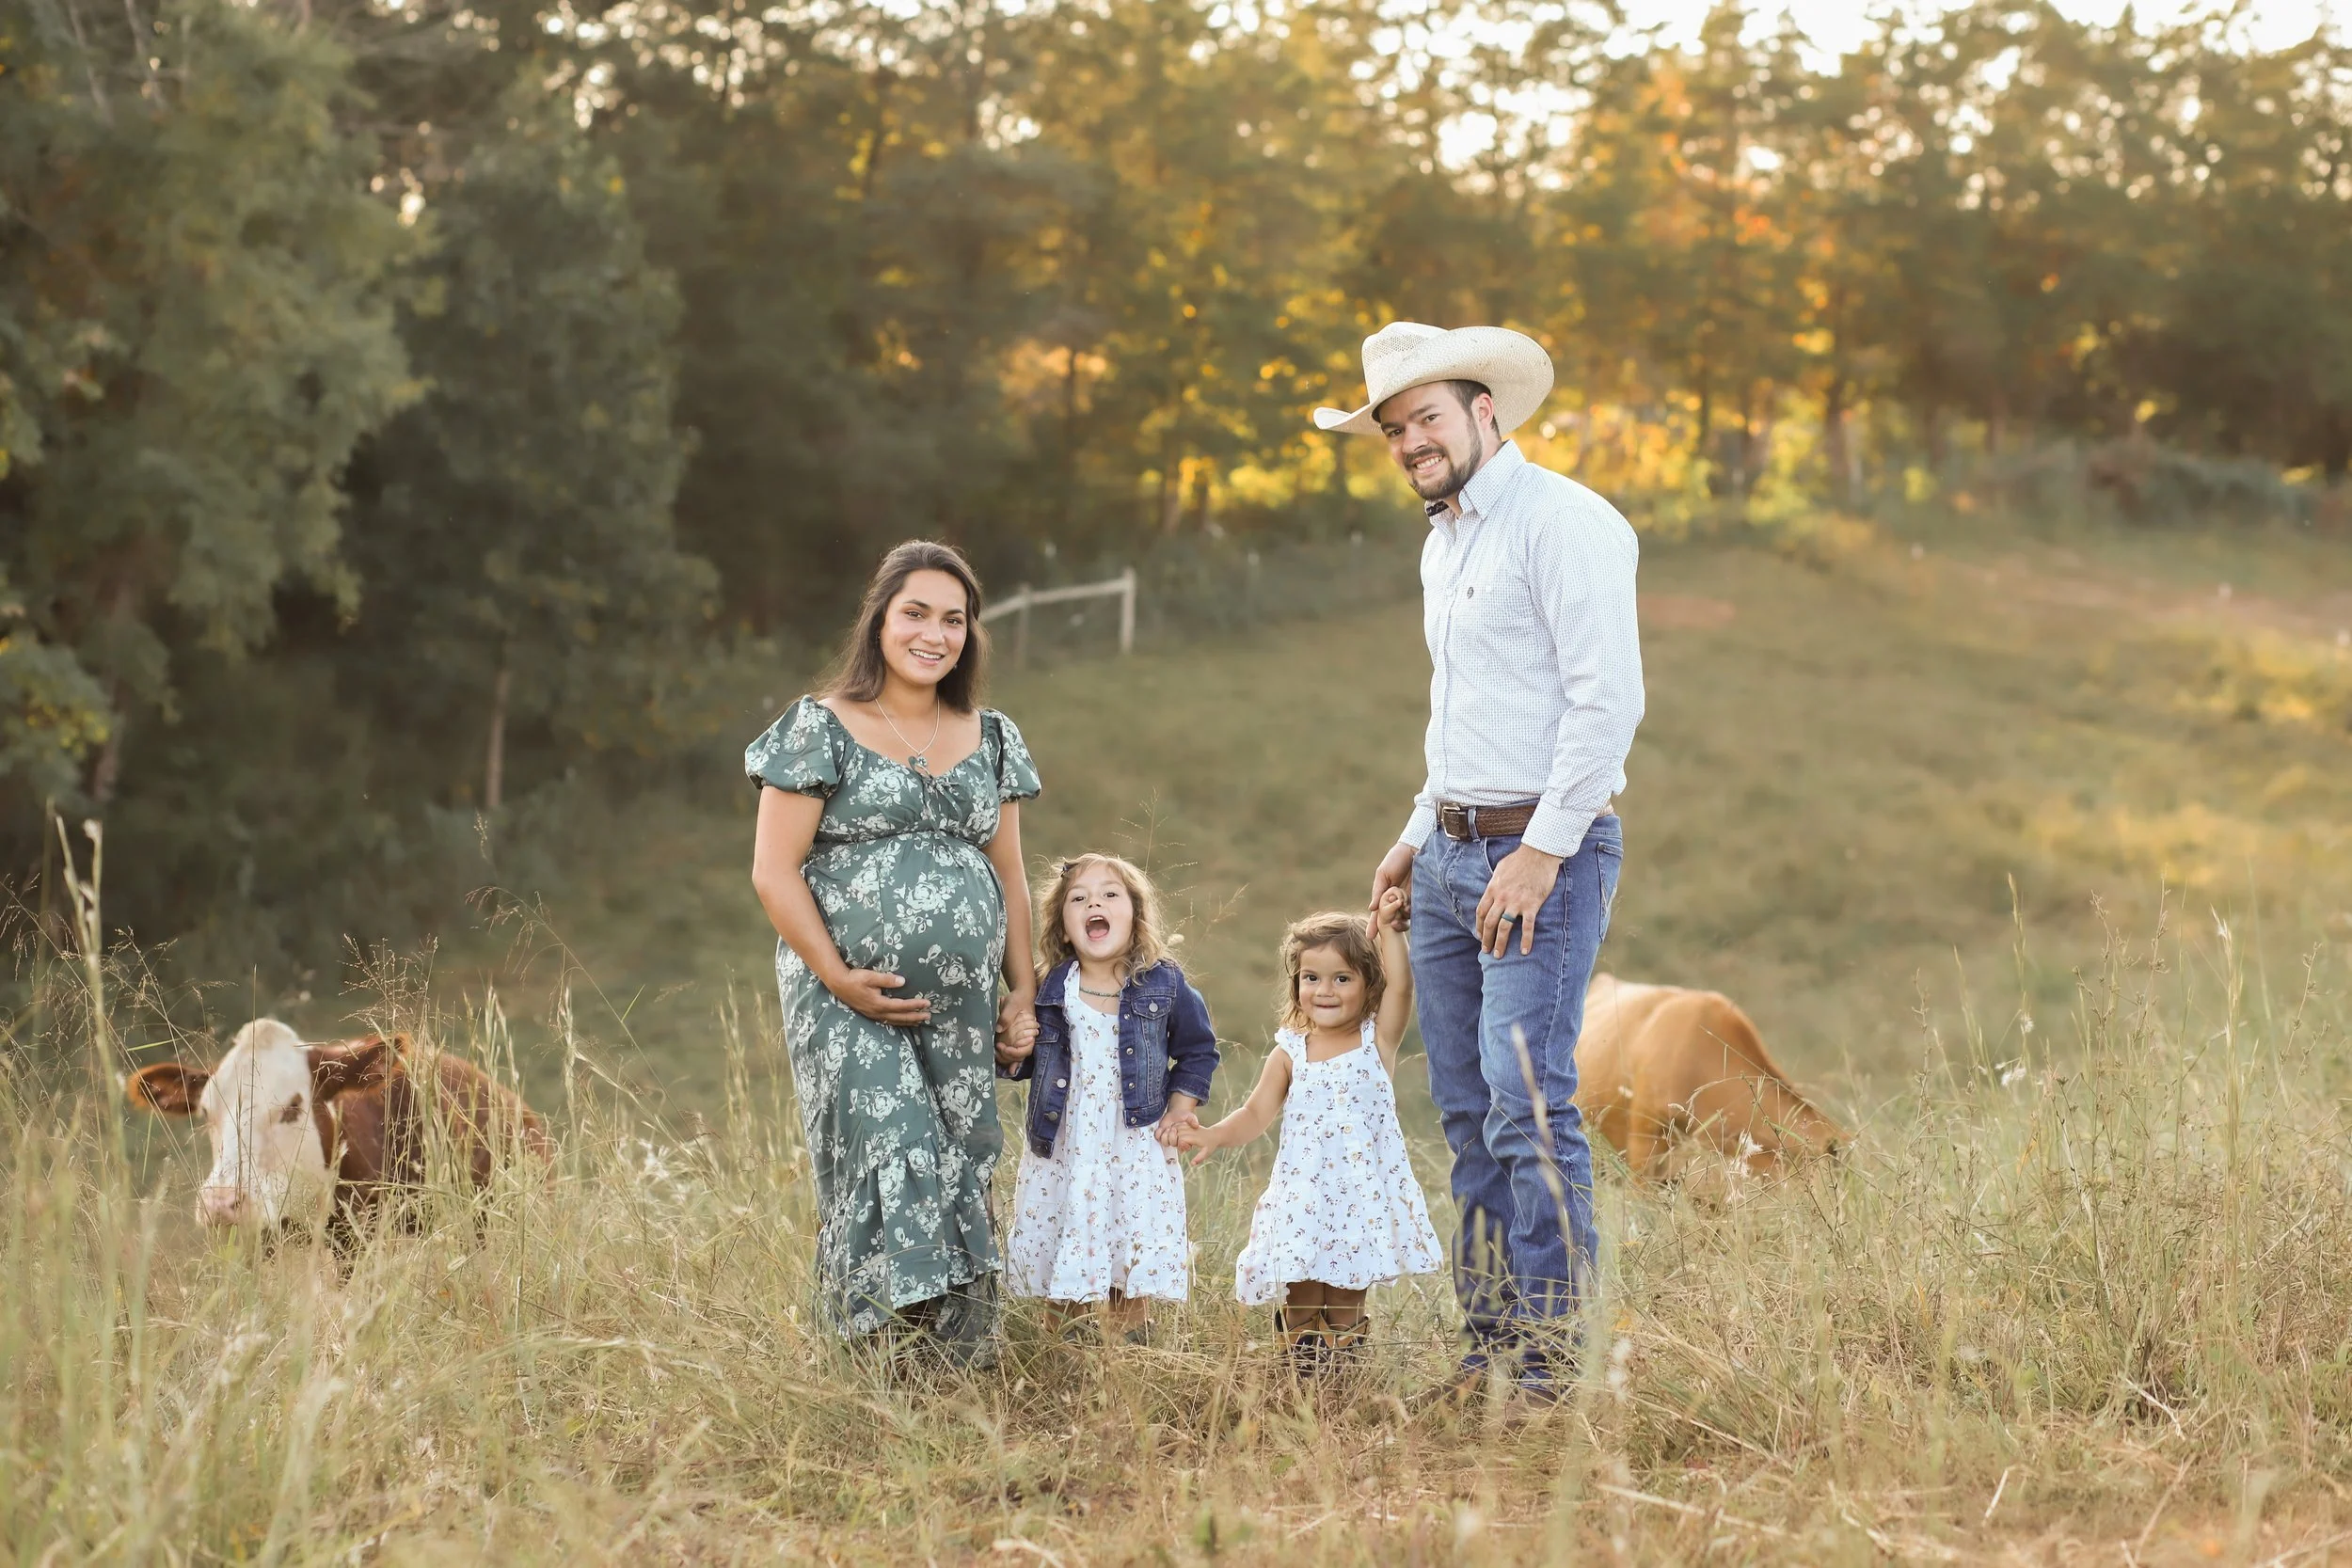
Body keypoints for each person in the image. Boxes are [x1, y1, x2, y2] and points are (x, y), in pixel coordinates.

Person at [1324, 322, 1645, 1402]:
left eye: (1426, 416)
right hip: (1453, 856)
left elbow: (1608, 704)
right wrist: (1416, 832)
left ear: (1483, 411)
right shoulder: (1443, 538)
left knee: (1527, 1102)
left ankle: (1555, 1365)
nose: (1410, 440)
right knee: (1464, 1111)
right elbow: (1461, 707)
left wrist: (1540, 853)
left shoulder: (1566, 523)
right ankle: (1491, 1347)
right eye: (1393, 428)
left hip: (1537, 857)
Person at [746, 540, 1041, 1368]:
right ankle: (874, 1359)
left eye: (954, 619)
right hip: (844, 993)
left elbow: (1010, 874)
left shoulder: (991, 736)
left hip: (963, 1003)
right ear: (880, 619)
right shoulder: (820, 727)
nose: (934, 634)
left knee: (958, 1151)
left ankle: (949, 1368)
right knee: (887, 1144)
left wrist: (1023, 992)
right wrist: (838, 976)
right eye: (916, 612)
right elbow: (774, 870)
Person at [1180, 894, 1442, 1376]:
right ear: (1296, 981)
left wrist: (1393, 932)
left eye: (1342, 978)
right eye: (1311, 978)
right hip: (1303, 1199)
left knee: (1345, 1299)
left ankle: (1343, 1385)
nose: (1325, 990)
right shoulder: (1290, 1051)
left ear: (1369, 985)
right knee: (1299, 1294)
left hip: (1357, 1200)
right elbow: (1256, 1112)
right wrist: (1215, 1134)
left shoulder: (1375, 1040)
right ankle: (1300, 1384)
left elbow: (1404, 988)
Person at [1003, 853, 1218, 1343]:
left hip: (1134, 1147)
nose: (1092, 903)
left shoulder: (1164, 984)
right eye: (1078, 898)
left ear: (1136, 916)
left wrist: (1181, 1110)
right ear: (1062, 927)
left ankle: (1130, 1357)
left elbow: (1198, 1050)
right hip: (1066, 1146)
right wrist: (1013, 1050)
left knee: (1128, 1252)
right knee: (1064, 1253)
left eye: (1109, 894)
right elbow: (1026, 1061)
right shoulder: (1049, 990)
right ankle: (1064, 1356)